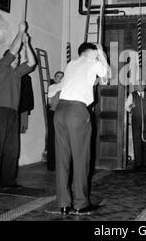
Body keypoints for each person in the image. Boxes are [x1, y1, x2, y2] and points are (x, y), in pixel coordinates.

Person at [54, 43, 110, 216]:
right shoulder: (93, 62)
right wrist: (102, 54)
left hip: (60, 111)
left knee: (62, 160)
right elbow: (107, 77)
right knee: (81, 159)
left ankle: (63, 204)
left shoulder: (71, 64)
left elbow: (88, 80)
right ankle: (80, 204)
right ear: (91, 52)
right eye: (95, 53)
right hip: (77, 112)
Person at [0, 22, 36, 190]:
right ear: (8, 58)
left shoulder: (17, 73)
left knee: (12, 150)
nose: (18, 59)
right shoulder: (1, 67)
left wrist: (27, 42)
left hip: (13, 114)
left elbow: (32, 62)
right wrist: (20, 32)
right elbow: (13, 50)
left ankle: (8, 182)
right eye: (15, 57)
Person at [125, 80, 146, 172]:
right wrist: (132, 105)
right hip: (136, 120)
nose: (139, 86)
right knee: (137, 140)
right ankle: (138, 163)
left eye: (142, 85)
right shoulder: (132, 95)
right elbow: (126, 106)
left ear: (145, 86)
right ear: (135, 87)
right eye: (138, 85)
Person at [46, 71, 64, 171]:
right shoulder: (52, 87)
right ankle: (52, 164)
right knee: (52, 138)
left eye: (62, 77)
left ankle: (62, 164)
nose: (60, 79)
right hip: (53, 113)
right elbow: (50, 102)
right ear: (54, 78)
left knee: (62, 139)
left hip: (62, 114)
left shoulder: (66, 87)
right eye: (57, 76)